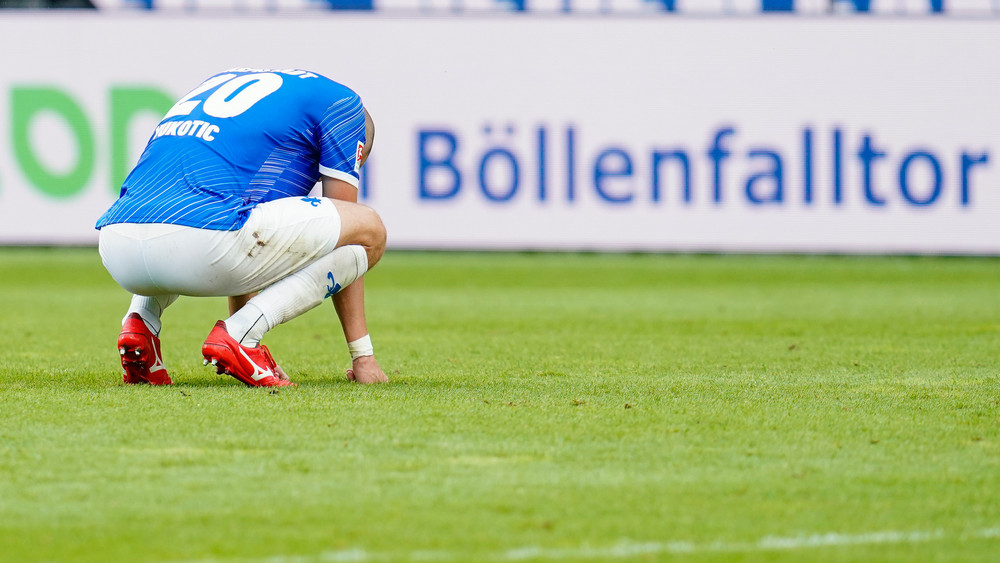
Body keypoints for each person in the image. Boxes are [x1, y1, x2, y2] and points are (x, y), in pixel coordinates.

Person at [96, 68, 388, 387]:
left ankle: (140, 325)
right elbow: (347, 235)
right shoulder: (343, 105)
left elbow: (253, 234)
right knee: (369, 229)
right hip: (200, 244)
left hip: (116, 246)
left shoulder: (222, 86)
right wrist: (363, 356)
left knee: (199, 209)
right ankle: (240, 336)